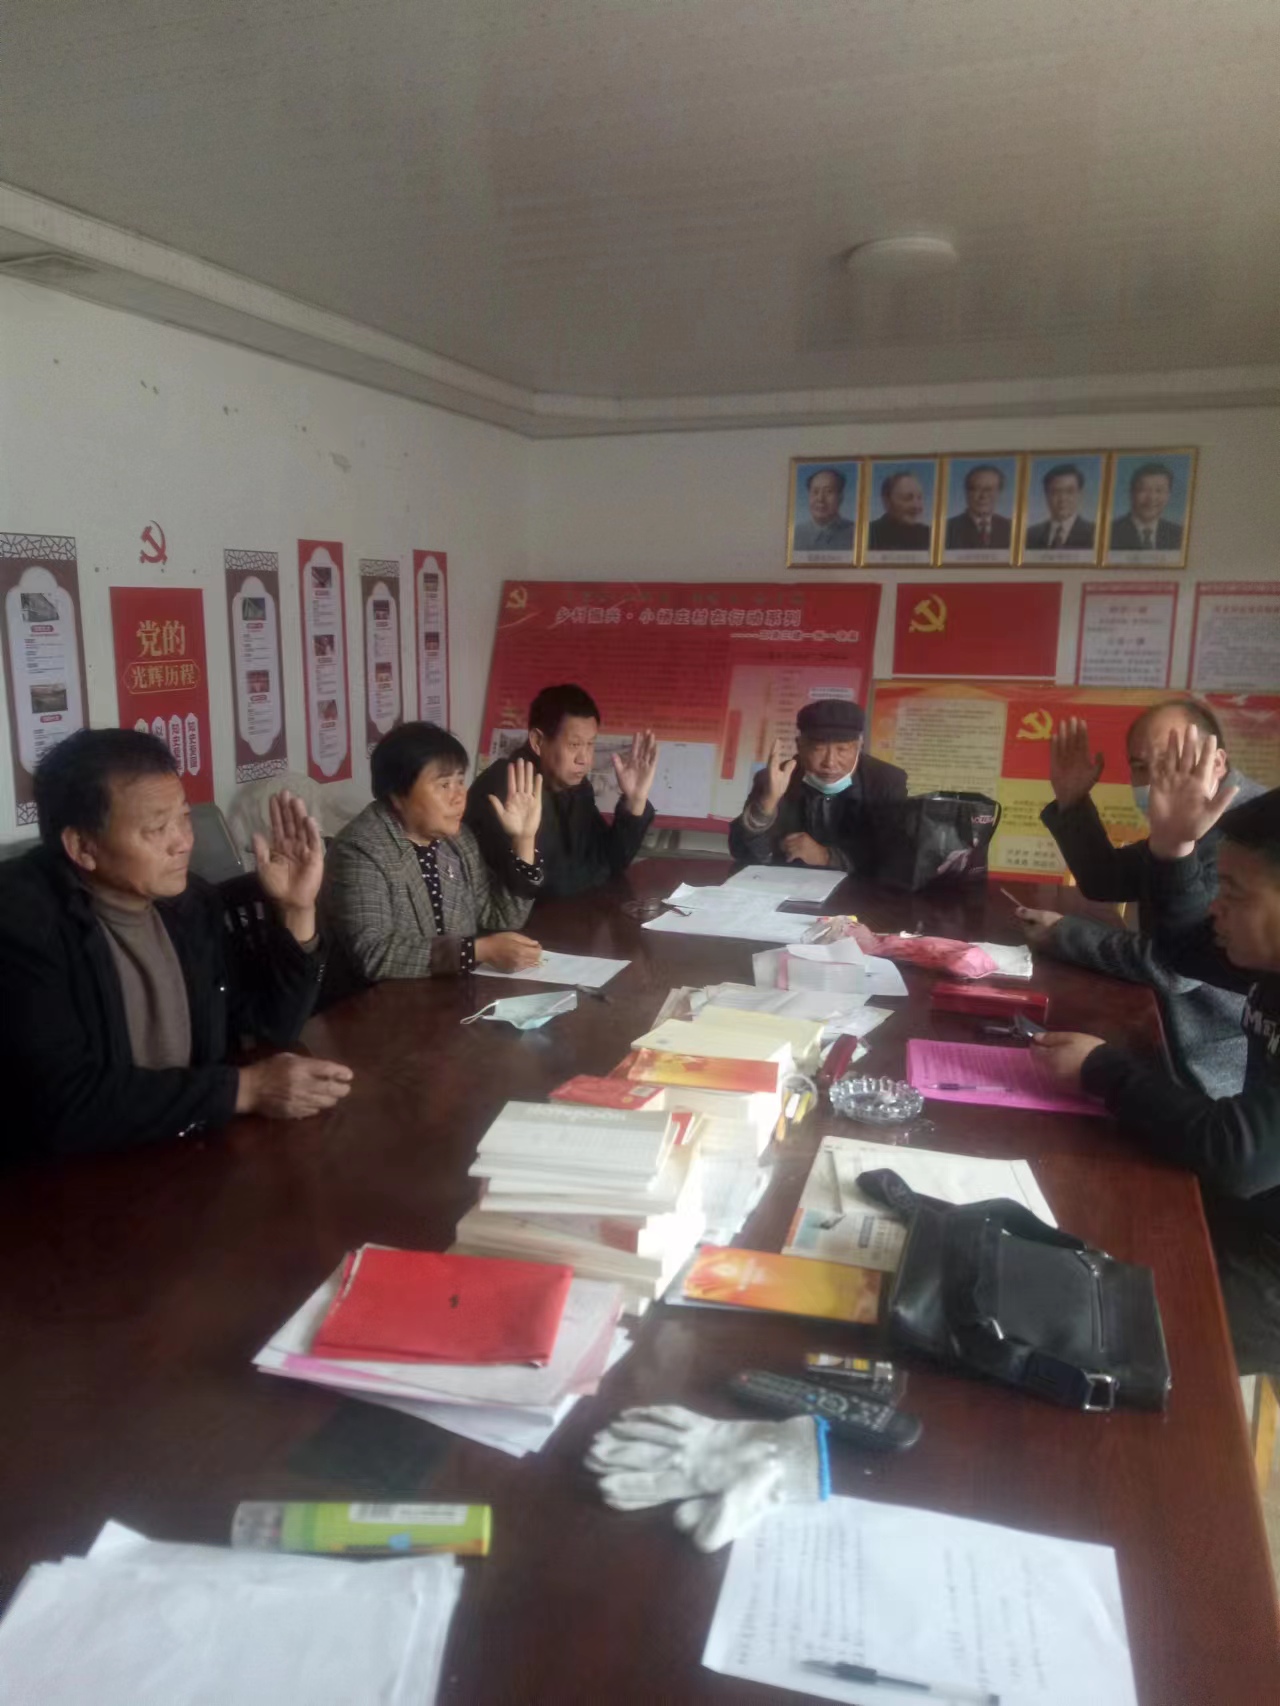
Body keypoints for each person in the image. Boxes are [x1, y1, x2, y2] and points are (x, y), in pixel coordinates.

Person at [1031, 733, 1280, 1373]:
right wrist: (1172, 850)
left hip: (1267, 1265)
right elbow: (1183, 950)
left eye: (1235, 892)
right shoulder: (1267, 958)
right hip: (1248, 1209)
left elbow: (1239, 1154)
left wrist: (1101, 1069)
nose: (1217, 906)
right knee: (1068, 1235)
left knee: (1084, 1334)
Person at [0, 729, 348, 1164]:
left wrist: (297, 911)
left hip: (185, 1150)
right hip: (67, 1178)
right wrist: (245, 1089)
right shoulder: (22, 923)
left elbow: (267, 1029)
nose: (184, 841)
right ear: (83, 847)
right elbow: (64, 1105)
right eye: (157, 828)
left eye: (184, 817)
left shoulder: (190, 904)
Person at [1019, 701, 1265, 1095]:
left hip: (1210, 1070)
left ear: (1217, 762)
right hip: (1159, 1026)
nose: (1154, 780)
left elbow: (1176, 969)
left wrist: (1063, 934)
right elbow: (1107, 879)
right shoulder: (1197, 814)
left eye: (1170, 762)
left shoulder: (1250, 833)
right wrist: (1072, 801)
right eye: (1140, 766)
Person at [322, 720, 544, 991]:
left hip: (447, 994)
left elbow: (502, 917)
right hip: (375, 1004)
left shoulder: (457, 839)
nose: (459, 796)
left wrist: (524, 840)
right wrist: (477, 951)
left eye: (460, 781)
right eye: (444, 785)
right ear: (397, 794)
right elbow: (374, 954)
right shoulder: (360, 849)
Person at [467, 684, 657, 900]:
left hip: (569, 915)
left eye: (590, 744)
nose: (584, 759)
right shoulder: (509, 787)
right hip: (520, 920)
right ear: (538, 741)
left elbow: (611, 860)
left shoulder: (575, 786)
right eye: (574, 744)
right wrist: (598, 869)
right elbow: (549, 887)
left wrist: (635, 801)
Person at [729, 699, 907, 872]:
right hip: (791, 883)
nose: (830, 762)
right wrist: (766, 806)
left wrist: (827, 856)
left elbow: (895, 856)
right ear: (800, 746)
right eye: (818, 749)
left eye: (842, 750)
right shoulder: (776, 778)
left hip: (858, 888)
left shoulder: (886, 781)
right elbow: (741, 852)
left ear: (859, 746)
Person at [1110, 462, 1183, 552]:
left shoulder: (1179, 535)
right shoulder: (1110, 532)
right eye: (1144, 490)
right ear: (1131, 493)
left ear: (1168, 495)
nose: (1151, 498)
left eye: (1159, 490)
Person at [1023, 463, 1096, 552]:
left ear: (1080, 494)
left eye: (1069, 491)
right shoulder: (1030, 535)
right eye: (1055, 492)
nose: (1062, 499)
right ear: (1046, 496)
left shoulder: (1095, 533)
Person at [944, 464, 1012, 551]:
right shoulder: (946, 529)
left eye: (988, 490)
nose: (983, 496)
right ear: (967, 493)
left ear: (999, 493)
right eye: (976, 489)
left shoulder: (1011, 528)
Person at [792, 467, 855, 553]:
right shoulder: (795, 534)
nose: (820, 499)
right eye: (815, 492)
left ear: (840, 497)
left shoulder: (855, 533)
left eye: (828, 491)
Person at [866, 470, 933, 552]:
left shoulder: (929, 535)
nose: (917, 506)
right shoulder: (869, 534)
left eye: (919, 498)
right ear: (887, 501)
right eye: (907, 498)